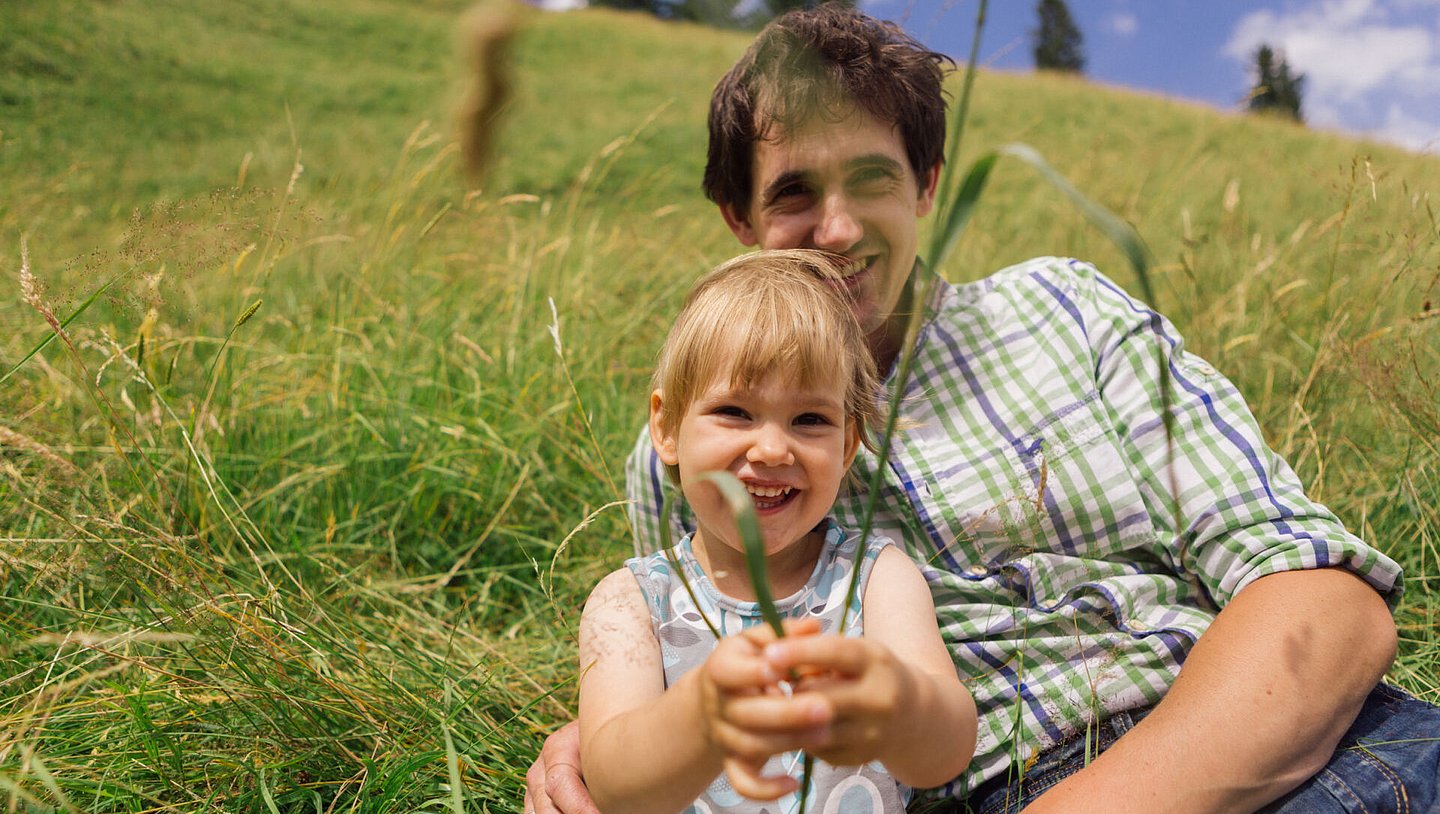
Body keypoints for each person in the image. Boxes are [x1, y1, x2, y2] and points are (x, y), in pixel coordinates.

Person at [530, 4, 1440, 812]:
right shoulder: (685, 452)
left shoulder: (1065, 314)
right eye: (795, 193)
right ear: (740, 219)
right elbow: (670, 657)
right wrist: (605, 748)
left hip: (1280, 749)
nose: (838, 229)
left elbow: (1325, 603)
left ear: (927, 187)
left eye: (874, 180)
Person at [578, 249, 977, 814]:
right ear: (666, 428)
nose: (770, 449)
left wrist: (900, 703)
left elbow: (947, 752)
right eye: (734, 412)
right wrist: (699, 716)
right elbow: (614, 786)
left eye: (809, 419)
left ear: (846, 446)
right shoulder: (631, 602)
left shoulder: (874, 576)